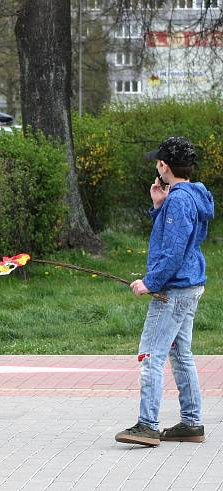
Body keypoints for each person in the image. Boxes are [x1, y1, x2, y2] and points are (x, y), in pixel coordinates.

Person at [115, 136, 215, 447]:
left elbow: (173, 250)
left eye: (157, 162)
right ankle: (191, 422)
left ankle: (147, 425)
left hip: (174, 290)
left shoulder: (179, 200)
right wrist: (158, 206)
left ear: (163, 166)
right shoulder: (192, 195)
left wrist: (151, 283)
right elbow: (183, 239)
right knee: (181, 354)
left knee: (151, 355)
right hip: (189, 285)